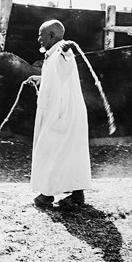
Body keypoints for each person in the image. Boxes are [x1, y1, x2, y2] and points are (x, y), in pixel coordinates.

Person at [28, 19, 91, 209]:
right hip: (64, 113)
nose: (38, 39)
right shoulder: (53, 54)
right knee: (70, 153)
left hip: (62, 115)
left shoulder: (63, 54)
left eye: (41, 35)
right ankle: (77, 195)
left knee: (50, 150)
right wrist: (41, 78)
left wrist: (65, 49)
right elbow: (58, 76)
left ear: (51, 36)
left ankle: (46, 195)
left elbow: (64, 65)